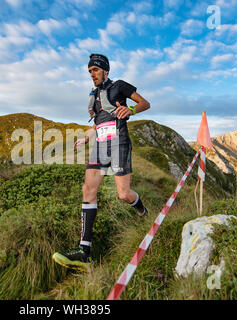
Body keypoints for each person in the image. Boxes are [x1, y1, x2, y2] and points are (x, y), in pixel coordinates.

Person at [52, 53, 151, 271]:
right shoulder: (94, 96)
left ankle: (143, 211)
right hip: (99, 145)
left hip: (119, 143)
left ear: (105, 70)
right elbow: (98, 123)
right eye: (89, 71)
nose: (92, 74)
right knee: (88, 189)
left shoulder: (120, 86)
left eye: (95, 70)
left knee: (124, 194)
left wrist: (131, 109)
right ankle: (84, 252)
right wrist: (86, 137)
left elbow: (145, 103)